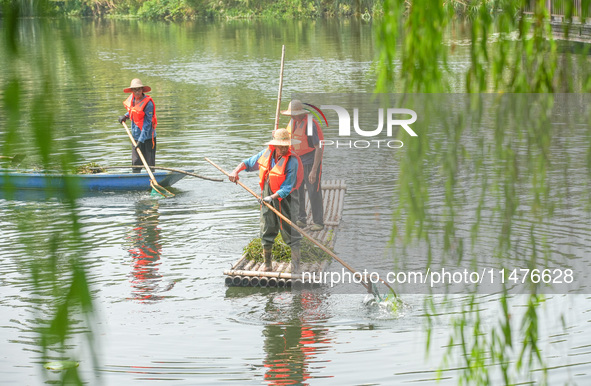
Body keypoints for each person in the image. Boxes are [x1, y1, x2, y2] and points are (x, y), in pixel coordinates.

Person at [229, 128, 304, 273]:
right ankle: (267, 263)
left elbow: (287, 187)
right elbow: (248, 163)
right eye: (280, 146)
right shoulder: (266, 154)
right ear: (274, 145)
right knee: (266, 227)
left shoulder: (292, 161)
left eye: (285, 146)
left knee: (290, 230)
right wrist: (235, 171)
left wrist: (271, 198)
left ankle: (296, 265)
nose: (283, 149)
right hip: (267, 196)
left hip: (286, 199)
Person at [281, 100, 324, 231]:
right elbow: (286, 140)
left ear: (300, 113)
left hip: (311, 161)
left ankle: (318, 222)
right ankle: (301, 219)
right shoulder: (293, 122)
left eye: (294, 114)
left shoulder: (310, 124)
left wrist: (314, 170)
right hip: (296, 161)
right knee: (297, 190)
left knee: (313, 191)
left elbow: (318, 147)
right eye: (291, 114)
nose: (292, 117)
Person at [118, 78, 157, 173]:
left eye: (139, 89)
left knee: (149, 165)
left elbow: (147, 124)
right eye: (135, 89)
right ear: (132, 91)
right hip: (135, 137)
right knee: (136, 163)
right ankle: (136, 179)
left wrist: (141, 140)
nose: (137, 92)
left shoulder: (148, 104)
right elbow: (133, 111)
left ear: (142, 90)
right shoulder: (132, 100)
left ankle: (152, 181)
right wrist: (125, 116)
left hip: (148, 137)